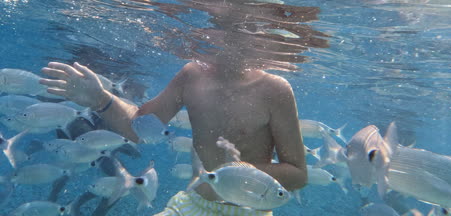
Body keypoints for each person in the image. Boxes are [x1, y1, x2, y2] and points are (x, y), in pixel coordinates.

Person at [40, 58, 307, 216]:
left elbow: (297, 174)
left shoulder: (275, 89)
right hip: (192, 204)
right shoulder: (192, 74)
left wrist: (234, 174)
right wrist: (101, 100)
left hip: (249, 211)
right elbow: (139, 128)